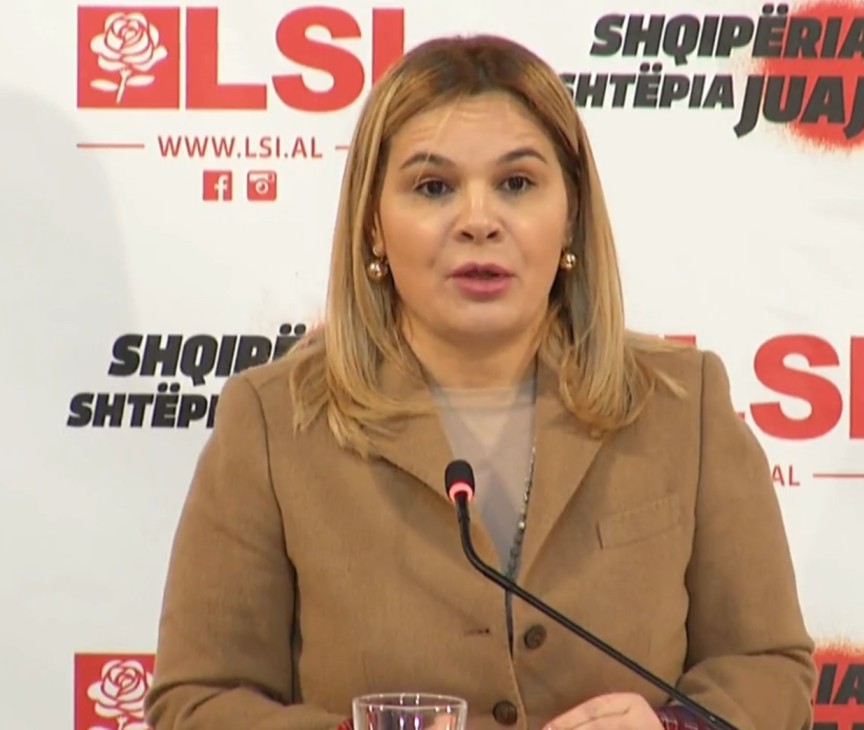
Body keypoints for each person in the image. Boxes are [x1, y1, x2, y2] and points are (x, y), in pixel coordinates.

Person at [144, 34, 816, 730]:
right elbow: (196, 703)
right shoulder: (274, 423)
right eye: (433, 187)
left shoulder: (684, 404)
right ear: (373, 226)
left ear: (571, 214)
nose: (478, 222)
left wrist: (672, 728)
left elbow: (768, 666)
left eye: (516, 184)